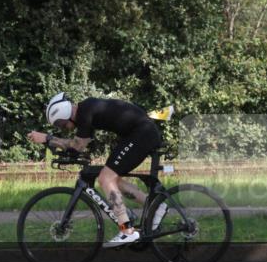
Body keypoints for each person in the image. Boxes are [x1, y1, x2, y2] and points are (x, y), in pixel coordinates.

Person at [27, 93, 166, 247]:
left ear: (64, 113)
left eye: (61, 124)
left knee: (105, 178)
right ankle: (156, 207)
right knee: (113, 179)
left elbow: (77, 146)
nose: (64, 128)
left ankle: (127, 231)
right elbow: (79, 146)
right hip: (140, 133)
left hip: (141, 134)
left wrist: (47, 138)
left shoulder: (85, 112)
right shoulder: (87, 110)